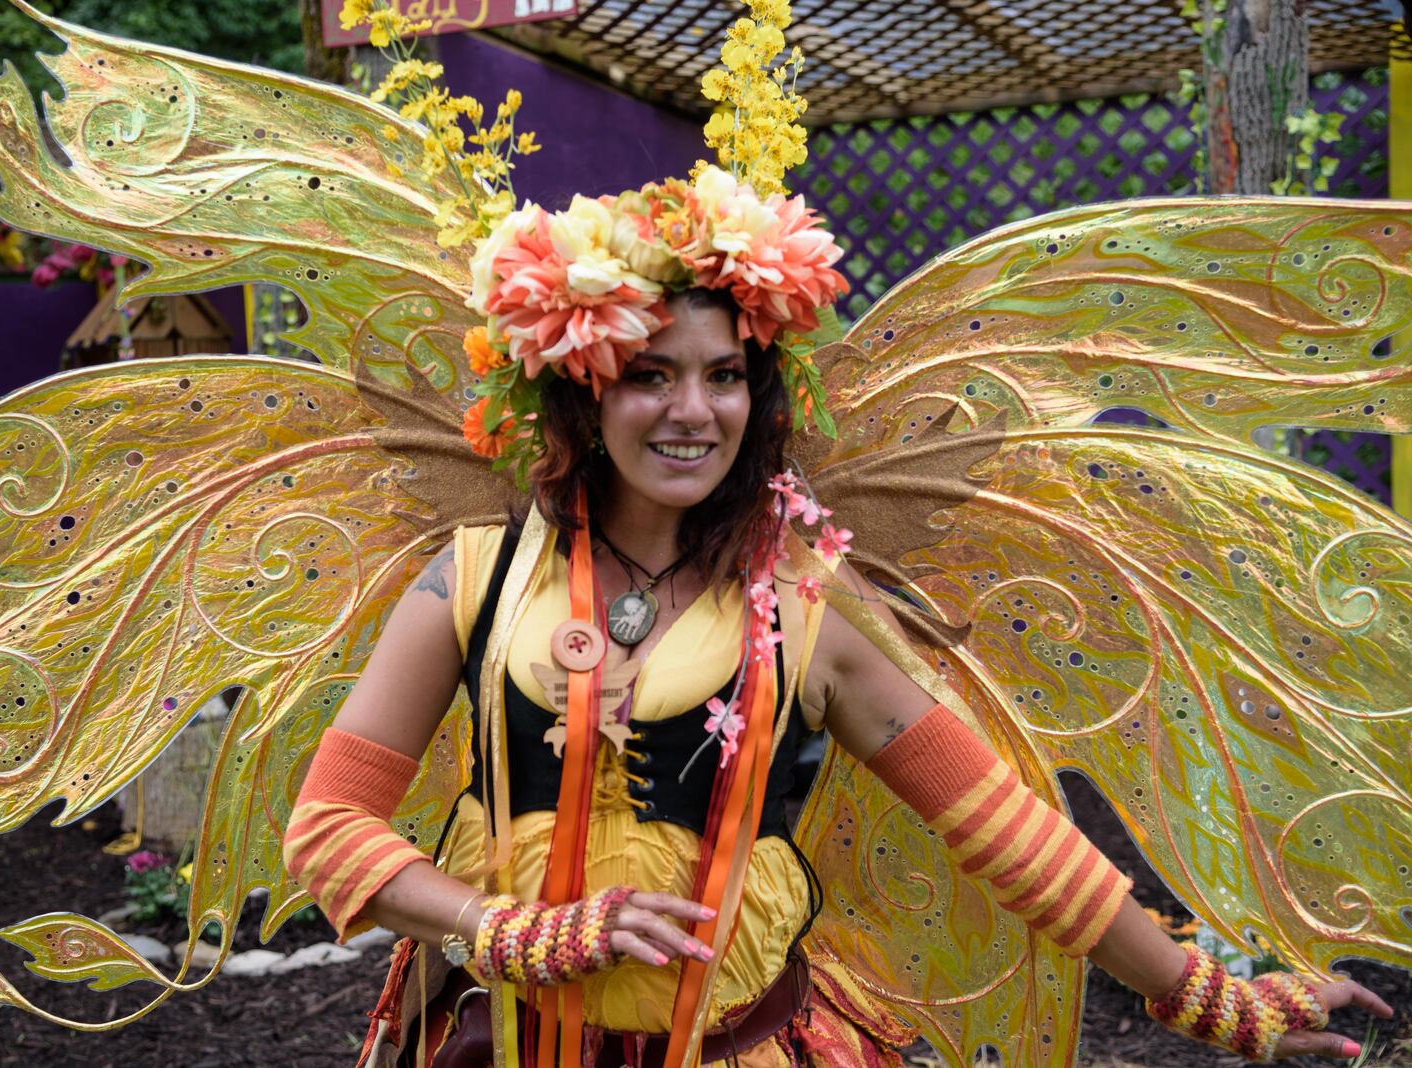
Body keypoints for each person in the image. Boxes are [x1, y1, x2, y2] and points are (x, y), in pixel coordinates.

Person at [280, 178, 1395, 1063]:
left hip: (742, 1045)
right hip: (499, 1045)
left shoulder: (807, 606)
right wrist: (509, 930)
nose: (691, 412)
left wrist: (1206, 998)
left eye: (724, 376)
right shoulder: (472, 580)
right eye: (649, 375)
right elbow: (330, 832)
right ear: (582, 388)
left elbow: (1013, 837)